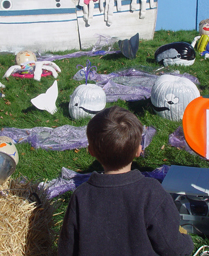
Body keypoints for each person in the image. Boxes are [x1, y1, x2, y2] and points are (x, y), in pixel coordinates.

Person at [58, 106, 194, 256]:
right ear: (139, 150)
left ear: (91, 151)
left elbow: (67, 247)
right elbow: (173, 247)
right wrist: (186, 242)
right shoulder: (151, 192)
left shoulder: (81, 195)